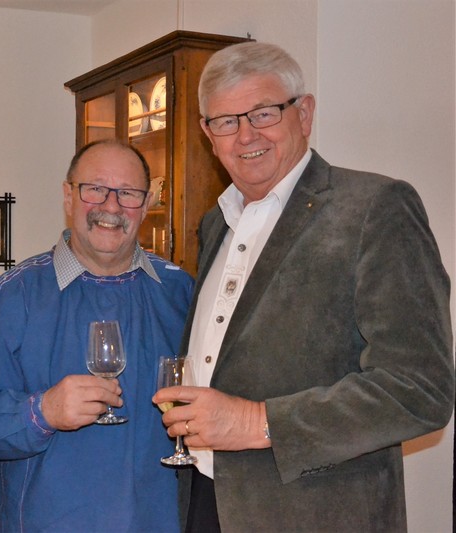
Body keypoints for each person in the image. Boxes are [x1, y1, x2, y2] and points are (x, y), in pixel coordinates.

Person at [152, 41, 454, 532]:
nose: (246, 135)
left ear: (305, 113)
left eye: (263, 113)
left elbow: (420, 390)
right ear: (208, 134)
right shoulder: (215, 223)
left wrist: (257, 422)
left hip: (316, 515)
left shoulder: (375, 207)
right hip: (208, 500)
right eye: (225, 121)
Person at [0, 139, 195, 532]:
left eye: (128, 193)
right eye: (95, 189)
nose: (111, 206)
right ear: (68, 196)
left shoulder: (180, 292)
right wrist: (41, 412)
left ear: (146, 205)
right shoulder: (13, 296)